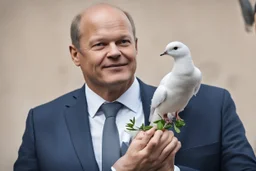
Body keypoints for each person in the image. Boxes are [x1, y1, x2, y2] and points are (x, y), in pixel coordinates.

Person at [14, 3, 256, 171]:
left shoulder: (212, 106)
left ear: (136, 47)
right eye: (100, 44)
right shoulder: (42, 122)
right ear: (75, 55)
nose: (115, 52)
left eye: (123, 42)